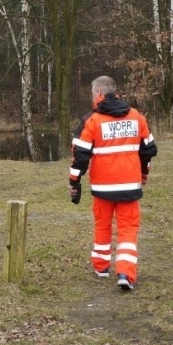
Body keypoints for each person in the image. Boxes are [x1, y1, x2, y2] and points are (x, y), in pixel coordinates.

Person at [68, 75, 158, 291]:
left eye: (92, 93)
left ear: (99, 93)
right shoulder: (137, 117)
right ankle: (126, 273)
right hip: (129, 186)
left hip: (102, 187)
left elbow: (79, 156)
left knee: (102, 224)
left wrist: (74, 183)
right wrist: (143, 173)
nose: (92, 97)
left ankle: (101, 267)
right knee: (128, 229)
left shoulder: (91, 121)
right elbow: (149, 150)